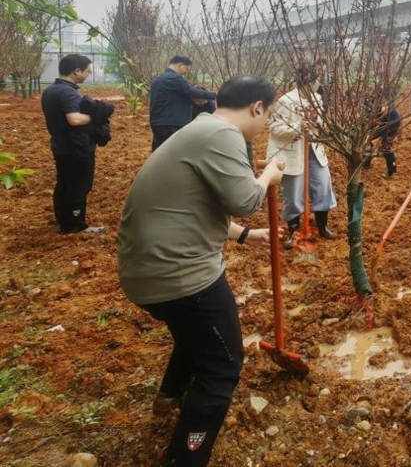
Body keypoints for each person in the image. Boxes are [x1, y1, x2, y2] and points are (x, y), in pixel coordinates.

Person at [117, 76, 284, 467]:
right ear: (257, 107)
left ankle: (171, 394)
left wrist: (246, 236)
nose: (265, 125)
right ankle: (186, 458)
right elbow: (245, 198)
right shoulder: (224, 135)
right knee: (222, 365)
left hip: (146, 270)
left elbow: (191, 207)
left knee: (196, 336)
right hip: (179, 276)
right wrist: (269, 175)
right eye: (268, 115)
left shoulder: (200, 128)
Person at [266, 65, 337, 246]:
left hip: (314, 150)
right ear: (310, 81)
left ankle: (322, 225)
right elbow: (274, 127)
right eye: (317, 79)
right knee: (294, 192)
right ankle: (292, 230)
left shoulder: (318, 99)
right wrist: (298, 127)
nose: (319, 82)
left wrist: (315, 121)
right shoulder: (286, 101)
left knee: (322, 185)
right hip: (294, 151)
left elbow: (321, 123)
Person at [40, 54, 109, 234]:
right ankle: (75, 225)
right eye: (87, 71)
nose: (88, 75)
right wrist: (99, 115)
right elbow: (75, 120)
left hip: (60, 144)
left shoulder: (51, 90)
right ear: (76, 71)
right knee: (79, 184)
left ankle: (64, 220)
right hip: (74, 147)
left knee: (64, 182)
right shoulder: (67, 92)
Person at [149, 55, 218, 151]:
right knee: (173, 151)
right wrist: (215, 95)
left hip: (158, 122)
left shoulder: (158, 80)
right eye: (186, 68)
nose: (186, 72)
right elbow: (190, 91)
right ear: (180, 65)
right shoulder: (173, 79)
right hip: (171, 123)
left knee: (159, 151)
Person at [364, 103, 401, 178]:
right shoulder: (374, 109)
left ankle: (391, 172)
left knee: (386, 149)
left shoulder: (390, 116)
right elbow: (373, 127)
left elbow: (379, 127)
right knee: (371, 142)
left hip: (391, 126)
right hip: (385, 123)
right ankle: (366, 164)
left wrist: (372, 138)